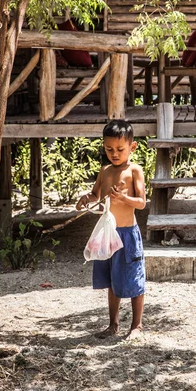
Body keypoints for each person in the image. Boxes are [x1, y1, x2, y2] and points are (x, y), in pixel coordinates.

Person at [76, 120, 147, 340]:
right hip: (108, 234)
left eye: (119, 149)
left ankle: (137, 325)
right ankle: (113, 324)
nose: (114, 154)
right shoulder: (105, 171)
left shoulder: (134, 171)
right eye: (109, 149)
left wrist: (124, 198)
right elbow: (96, 194)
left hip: (127, 234)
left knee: (134, 280)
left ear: (132, 147)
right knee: (111, 280)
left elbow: (142, 202)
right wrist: (86, 199)